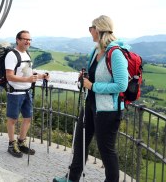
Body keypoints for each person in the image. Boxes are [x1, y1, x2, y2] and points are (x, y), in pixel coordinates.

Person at [53, 15, 128, 182]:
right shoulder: (96, 51)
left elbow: (121, 85)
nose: (89, 31)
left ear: (98, 30)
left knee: (106, 150)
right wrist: (85, 78)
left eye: (91, 28)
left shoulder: (115, 54)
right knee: (80, 142)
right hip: (91, 104)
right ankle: (72, 178)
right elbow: (94, 76)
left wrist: (93, 86)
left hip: (108, 110)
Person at [5, 30, 49, 158]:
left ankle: (21, 142)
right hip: (15, 93)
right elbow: (9, 76)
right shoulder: (12, 55)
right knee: (12, 119)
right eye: (25, 39)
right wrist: (27, 80)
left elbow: (27, 72)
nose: (28, 42)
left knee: (27, 118)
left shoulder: (26, 54)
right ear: (18, 40)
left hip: (26, 91)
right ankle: (11, 144)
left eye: (29, 39)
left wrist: (41, 76)